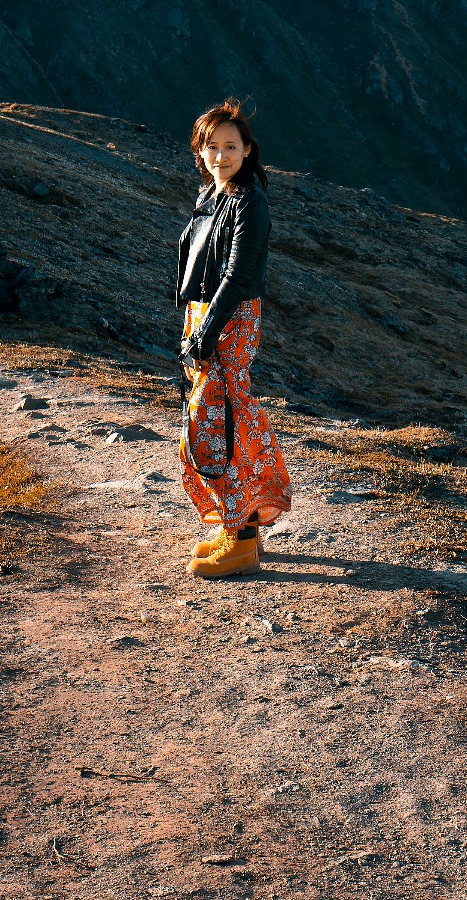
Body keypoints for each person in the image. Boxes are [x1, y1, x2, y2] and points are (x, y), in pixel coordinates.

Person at [174, 98, 291, 577]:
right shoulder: (213, 197)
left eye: (231, 146)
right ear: (200, 151)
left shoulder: (248, 202)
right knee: (226, 419)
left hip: (227, 320)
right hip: (206, 318)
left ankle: (241, 538)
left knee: (218, 425)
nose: (220, 155)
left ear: (247, 150)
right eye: (212, 146)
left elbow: (239, 275)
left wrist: (207, 328)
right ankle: (239, 524)